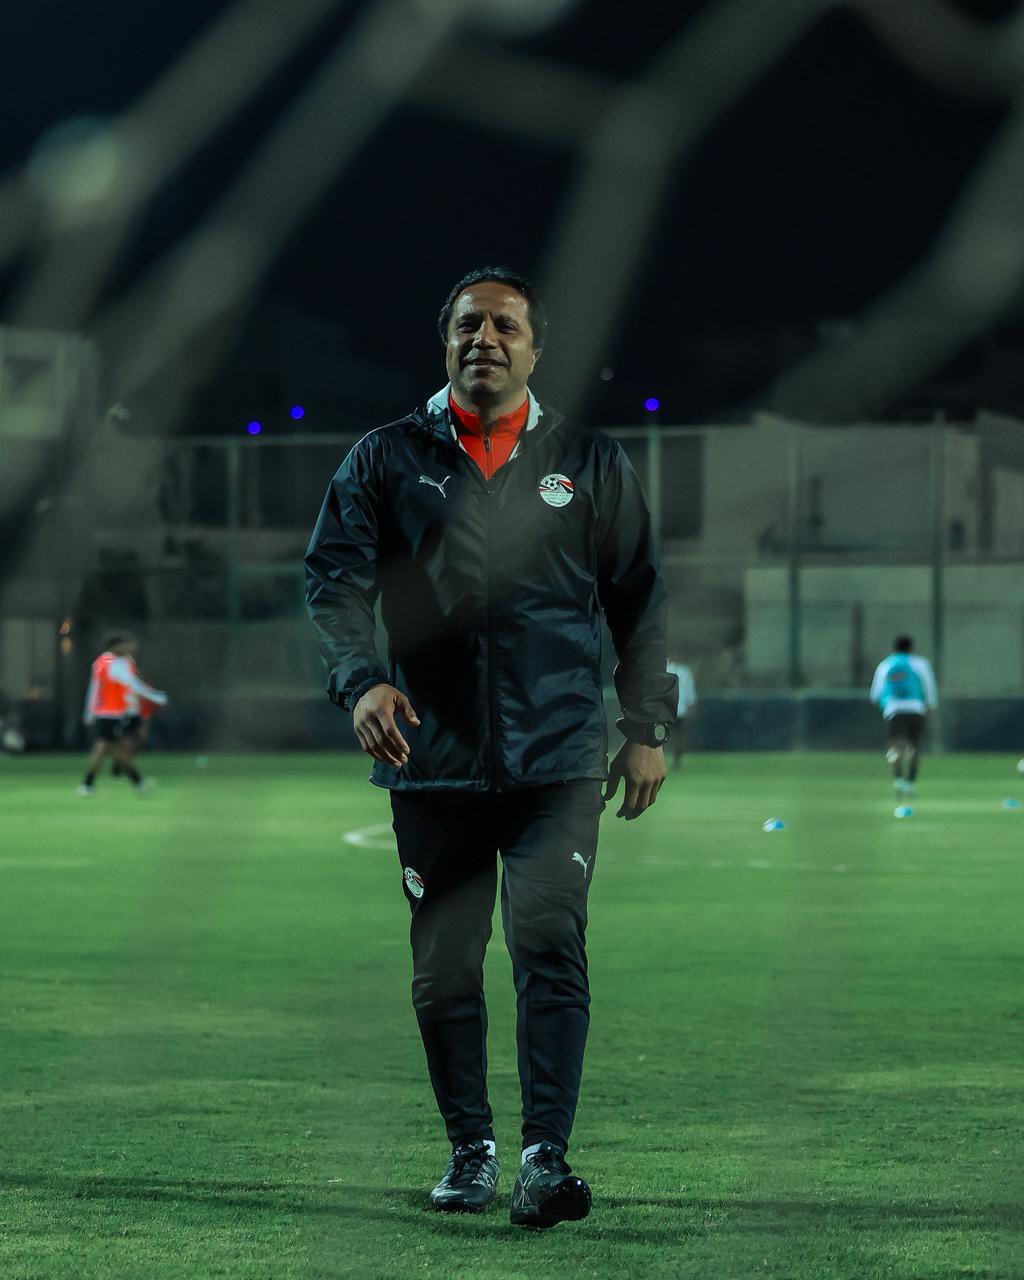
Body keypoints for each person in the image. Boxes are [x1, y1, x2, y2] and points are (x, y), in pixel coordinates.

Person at [305, 267, 677, 1229]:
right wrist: (361, 680)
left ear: (535, 349)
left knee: (549, 948)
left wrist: (647, 727)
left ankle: (545, 1160)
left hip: (558, 759)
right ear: (446, 342)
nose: (487, 339)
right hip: (430, 760)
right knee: (445, 969)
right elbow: (334, 581)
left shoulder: (588, 460)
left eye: (506, 326)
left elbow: (638, 600)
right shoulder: (387, 457)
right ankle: (470, 1149)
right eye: (470, 324)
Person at [79, 635, 168, 795]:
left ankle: (91, 784)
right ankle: (135, 782)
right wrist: (156, 697)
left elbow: (98, 688)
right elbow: (132, 684)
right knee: (112, 749)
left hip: (113, 713)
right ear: (116, 646)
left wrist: (89, 713)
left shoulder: (105, 661)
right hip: (110, 714)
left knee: (112, 748)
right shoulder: (113, 663)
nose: (129, 648)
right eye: (126, 645)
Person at [869, 635, 938, 794]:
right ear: (911, 648)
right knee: (915, 745)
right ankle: (910, 781)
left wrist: (885, 705)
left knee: (895, 745)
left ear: (894, 648)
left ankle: (898, 778)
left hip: (894, 710)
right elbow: (929, 685)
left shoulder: (885, 665)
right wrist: (931, 704)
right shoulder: (920, 663)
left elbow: (875, 694)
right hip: (915, 709)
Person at [666, 655, 697, 769]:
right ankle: (670, 758)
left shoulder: (683, 671)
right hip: (669, 708)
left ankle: (676, 759)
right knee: (670, 734)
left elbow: (690, 690)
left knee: (675, 735)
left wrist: (692, 704)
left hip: (675, 709)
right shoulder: (672, 670)